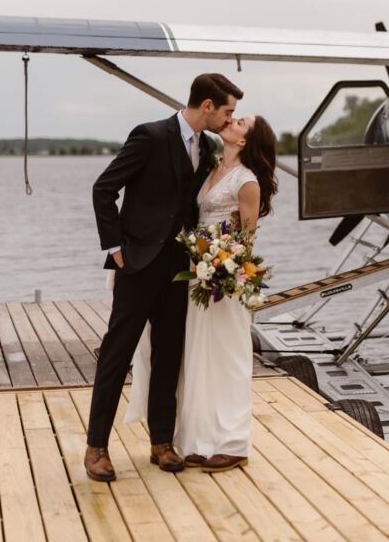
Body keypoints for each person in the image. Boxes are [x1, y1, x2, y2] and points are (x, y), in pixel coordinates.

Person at [85, 73, 243, 482]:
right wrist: (115, 249)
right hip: (137, 264)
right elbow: (104, 189)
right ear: (206, 105)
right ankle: (96, 447)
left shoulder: (208, 146)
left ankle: (161, 442)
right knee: (116, 354)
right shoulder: (150, 135)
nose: (229, 119)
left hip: (180, 269)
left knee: (169, 354)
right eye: (227, 110)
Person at [126, 115, 278, 473]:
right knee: (199, 361)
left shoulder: (247, 182)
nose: (232, 120)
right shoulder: (213, 166)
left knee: (228, 360)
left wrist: (223, 272)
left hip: (224, 284)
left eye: (241, 122)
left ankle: (234, 442)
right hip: (198, 278)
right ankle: (203, 438)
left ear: (244, 141)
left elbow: (246, 242)